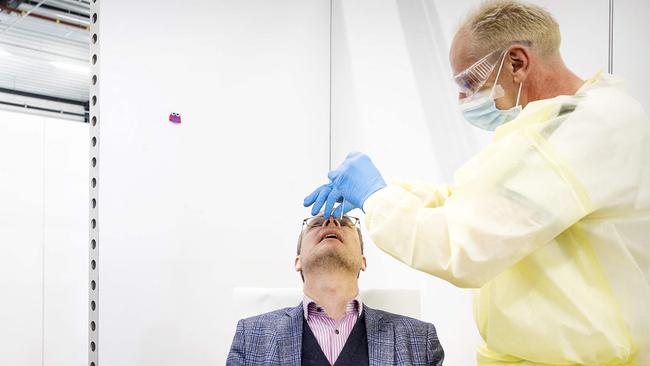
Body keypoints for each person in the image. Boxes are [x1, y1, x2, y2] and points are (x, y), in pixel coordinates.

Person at [303, 1, 650, 365]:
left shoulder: (588, 128)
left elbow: (463, 245)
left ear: (516, 62)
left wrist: (374, 197)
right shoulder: (553, 127)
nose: (463, 98)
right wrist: (384, 193)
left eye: (469, 81)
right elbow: (468, 202)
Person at [226, 215, 444, 366]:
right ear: (298, 261)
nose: (331, 222)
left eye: (345, 222)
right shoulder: (251, 336)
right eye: (317, 223)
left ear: (363, 260)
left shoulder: (419, 339)